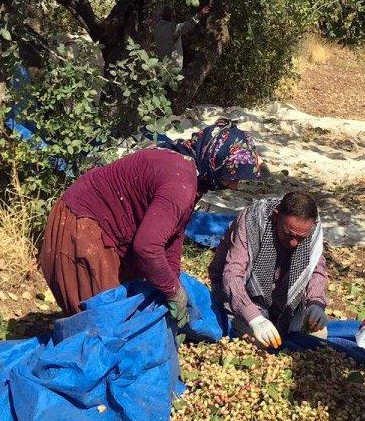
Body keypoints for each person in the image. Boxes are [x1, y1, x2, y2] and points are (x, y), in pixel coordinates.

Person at [39, 119, 262, 326]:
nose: (233, 187)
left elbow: (172, 237)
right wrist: (173, 291)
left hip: (103, 227)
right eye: (231, 178)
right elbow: (147, 247)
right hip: (83, 226)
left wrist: (173, 283)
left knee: (121, 314)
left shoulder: (190, 172)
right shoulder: (180, 182)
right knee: (103, 323)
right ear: (217, 161)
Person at [209, 191, 329, 350]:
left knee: (319, 337)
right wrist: (254, 318)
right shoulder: (252, 221)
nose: (294, 243)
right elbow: (232, 275)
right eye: (289, 234)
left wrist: (316, 303)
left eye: (301, 238)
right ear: (276, 216)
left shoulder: (312, 229)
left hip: (283, 303)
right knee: (261, 345)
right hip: (241, 298)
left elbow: (316, 267)